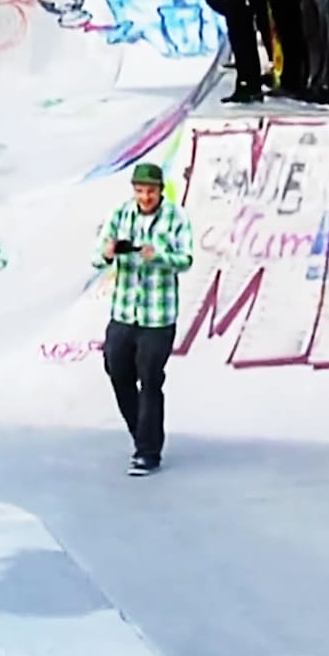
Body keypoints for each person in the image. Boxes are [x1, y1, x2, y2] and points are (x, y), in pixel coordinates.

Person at [91, 163, 193, 477]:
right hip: (123, 311)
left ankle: (148, 452)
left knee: (150, 378)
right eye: (140, 191)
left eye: (151, 191)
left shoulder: (176, 217)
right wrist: (108, 253)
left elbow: (186, 259)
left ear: (160, 191)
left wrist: (158, 255)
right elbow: (96, 258)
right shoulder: (121, 215)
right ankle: (143, 433)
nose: (145, 197)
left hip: (157, 316)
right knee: (116, 370)